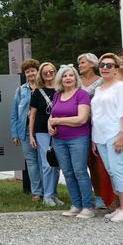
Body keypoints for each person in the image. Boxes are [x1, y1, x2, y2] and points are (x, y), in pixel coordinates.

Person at [48, 65, 93, 218]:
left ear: (76, 78)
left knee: (80, 172)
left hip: (78, 139)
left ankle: (87, 207)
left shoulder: (82, 94)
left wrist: (58, 121)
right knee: (67, 172)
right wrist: (49, 126)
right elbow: (51, 116)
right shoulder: (57, 95)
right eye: (65, 76)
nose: (68, 78)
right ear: (60, 79)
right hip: (58, 140)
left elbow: (82, 119)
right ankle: (76, 205)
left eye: (71, 75)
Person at [77, 53, 114, 209]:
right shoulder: (76, 81)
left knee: (100, 164)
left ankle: (104, 197)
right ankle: (91, 195)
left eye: (82, 62)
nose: (79, 65)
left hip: (97, 126)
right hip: (79, 125)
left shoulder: (101, 81)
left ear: (92, 64)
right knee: (85, 162)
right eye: (79, 63)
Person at [91, 53, 123, 222]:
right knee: (111, 170)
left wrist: (121, 135)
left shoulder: (120, 87)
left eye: (109, 65)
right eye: (102, 64)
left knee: (118, 170)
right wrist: (93, 139)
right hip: (99, 136)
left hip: (114, 134)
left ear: (116, 69)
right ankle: (119, 207)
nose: (104, 67)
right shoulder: (98, 89)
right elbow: (96, 114)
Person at [29, 62, 64, 207]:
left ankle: (53, 194)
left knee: (56, 164)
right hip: (42, 132)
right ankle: (47, 196)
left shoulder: (61, 90)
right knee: (47, 164)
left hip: (60, 131)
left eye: (51, 71)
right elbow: (32, 115)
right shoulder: (38, 92)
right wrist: (31, 135)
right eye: (45, 73)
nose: (49, 74)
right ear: (41, 76)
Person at [10, 59, 43, 201]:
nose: (30, 73)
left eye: (33, 70)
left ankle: (48, 191)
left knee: (45, 162)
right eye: (27, 71)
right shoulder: (20, 90)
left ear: (38, 71)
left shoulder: (45, 87)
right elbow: (14, 114)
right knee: (32, 163)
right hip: (24, 131)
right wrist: (15, 133)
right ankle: (37, 192)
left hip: (42, 130)